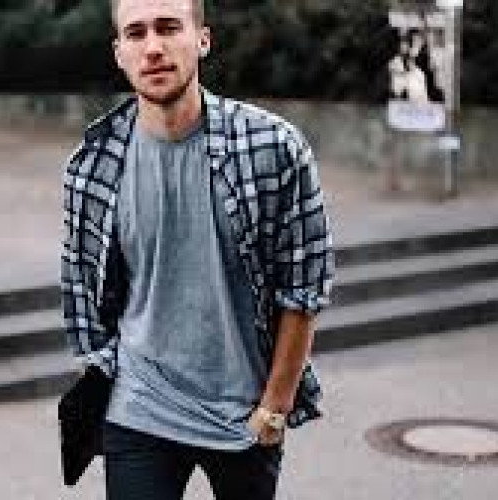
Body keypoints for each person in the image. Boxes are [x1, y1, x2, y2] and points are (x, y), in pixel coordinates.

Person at [61, 0, 334, 498]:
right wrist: (99, 372)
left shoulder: (274, 147)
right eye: (136, 33)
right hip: (139, 406)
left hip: (245, 412)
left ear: (202, 40)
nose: (153, 48)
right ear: (119, 53)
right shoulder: (93, 164)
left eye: (168, 28)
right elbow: (80, 286)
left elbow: (304, 290)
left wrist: (274, 410)